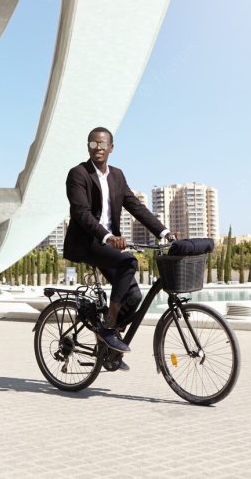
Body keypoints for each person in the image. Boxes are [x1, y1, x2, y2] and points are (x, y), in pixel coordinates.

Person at [63, 126, 175, 358]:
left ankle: (107, 346)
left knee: (133, 296)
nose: (98, 148)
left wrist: (164, 232)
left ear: (111, 147)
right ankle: (108, 327)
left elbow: (136, 206)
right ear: (88, 147)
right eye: (93, 144)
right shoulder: (78, 174)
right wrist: (107, 236)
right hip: (87, 242)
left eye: (102, 144)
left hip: (107, 244)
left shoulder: (117, 175)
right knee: (128, 262)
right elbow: (81, 213)